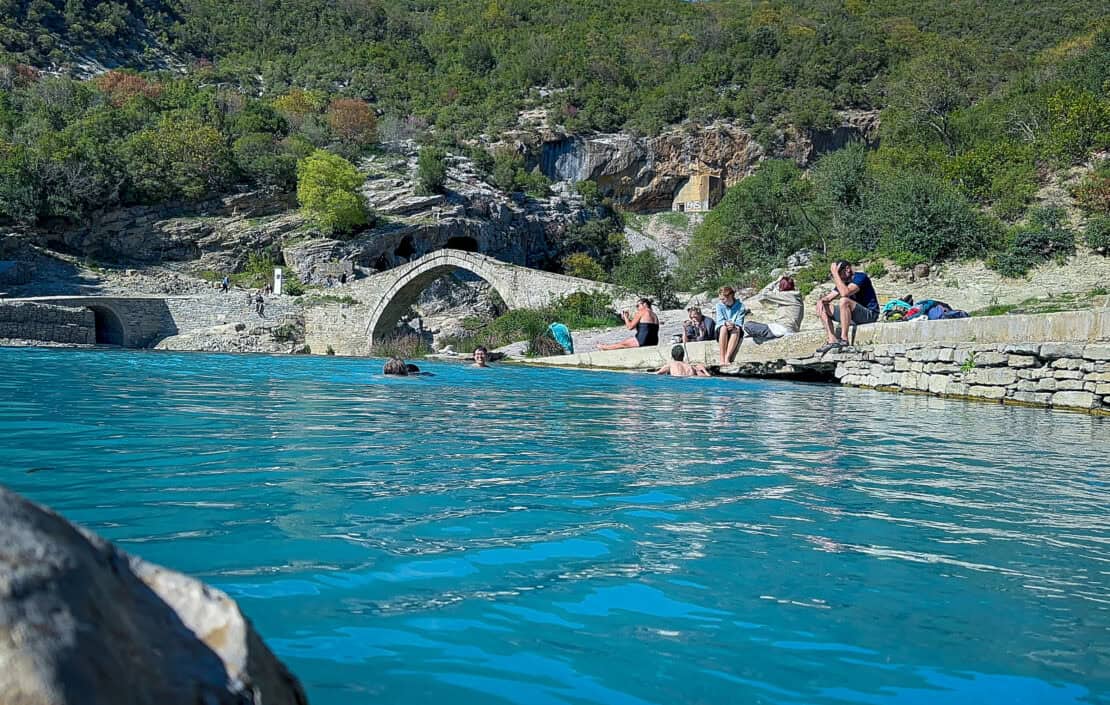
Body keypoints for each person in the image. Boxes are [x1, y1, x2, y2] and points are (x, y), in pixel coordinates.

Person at [815, 260, 880, 353]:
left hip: (869, 314)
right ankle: (832, 339)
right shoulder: (843, 282)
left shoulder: (860, 277)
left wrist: (835, 274)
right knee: (822, 306)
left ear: (847, 269)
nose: (839, 277)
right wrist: (821, 301)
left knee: (844, 301)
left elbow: (845, 293)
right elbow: (829, 297)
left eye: (840, 274)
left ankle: (844, 339)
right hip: (853, 315)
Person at [714, 286, 745, 364]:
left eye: (723, 299)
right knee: (723, 328)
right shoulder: (719, 306)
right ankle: (722, 358)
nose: (722, 301)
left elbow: (739, 322)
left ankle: (727, 358)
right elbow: (719, 320)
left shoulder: (740, 306)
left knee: (736, 329)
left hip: (734, 328)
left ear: (730, 296)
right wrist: (726, 323)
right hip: (722, 328)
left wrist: (733, 325)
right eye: (720, 299)